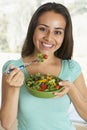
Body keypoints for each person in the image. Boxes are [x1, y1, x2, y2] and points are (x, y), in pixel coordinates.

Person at [0, 2, 87, 130]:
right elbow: (6, 124)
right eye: (42, 29)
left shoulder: (72, 68)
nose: (48, 37)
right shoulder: (13, 68)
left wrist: (72, 89)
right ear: (33, 29)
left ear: (64, 36)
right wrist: (14, 88)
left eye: (57, 32)